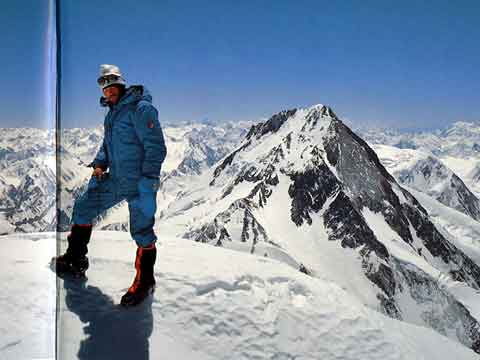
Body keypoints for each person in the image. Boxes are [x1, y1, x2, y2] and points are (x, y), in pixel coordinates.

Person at [51, 64, 167, 307]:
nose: (109, 90)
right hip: (116, 179)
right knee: (83, 207)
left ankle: (145, 282)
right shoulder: (113, 113)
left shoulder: (140, 108)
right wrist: (100, 164)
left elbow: (156, 147)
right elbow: (107, 145)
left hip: (139, 182)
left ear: (121, 84)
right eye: (104, 87)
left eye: (112, 85)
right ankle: (76, 259)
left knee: (142, 233)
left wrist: (148, 181)